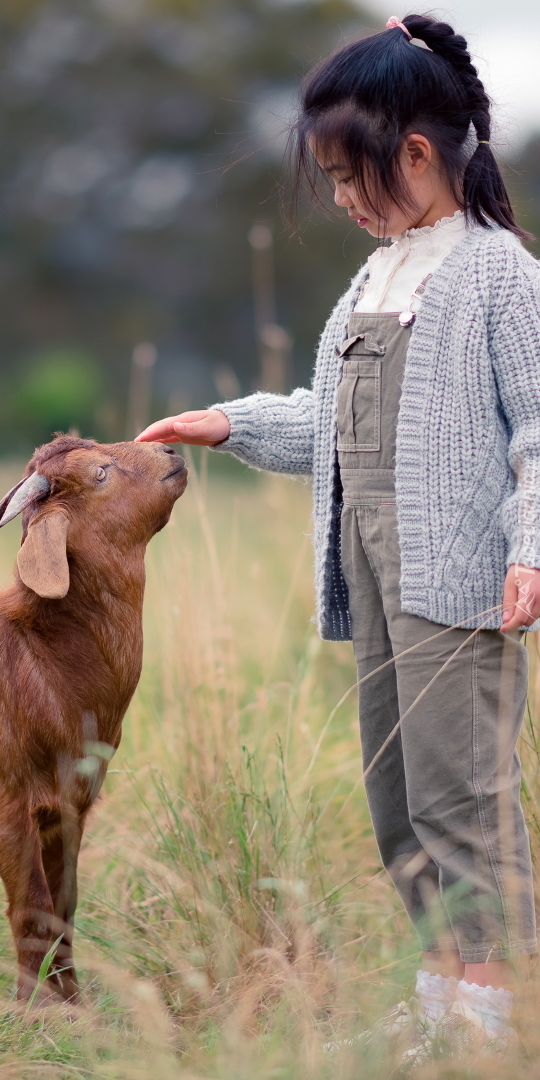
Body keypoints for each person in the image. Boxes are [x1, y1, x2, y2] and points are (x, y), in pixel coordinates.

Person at [137, 13, 540, 1057]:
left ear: (415, 152)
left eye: (353, 178)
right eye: (330, 181)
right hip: (374, 580)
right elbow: (336, 419)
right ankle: (440, 999)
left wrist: (529, 546)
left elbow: (538, 432)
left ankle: (488, 1027)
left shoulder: (495, 275)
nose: (346, 202)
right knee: (398, 799)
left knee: (464, 802)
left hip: (454, 584)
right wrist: (227, 423)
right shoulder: (377, 278)